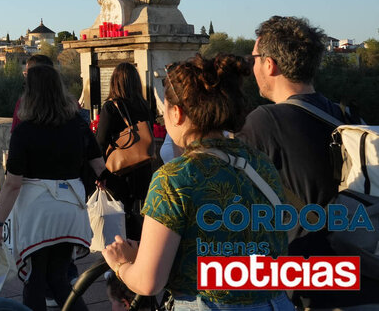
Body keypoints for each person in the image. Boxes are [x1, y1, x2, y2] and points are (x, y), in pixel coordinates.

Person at [102, 54, 290, 310]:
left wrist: (121, 264)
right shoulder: (260, 163)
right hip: (273, 303)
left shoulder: (175, 178)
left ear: (177, 113)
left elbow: (149, 283)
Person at [238, 16, 379, 309]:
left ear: (269, 64)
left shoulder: (264, 122)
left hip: (314, 289)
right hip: (366, 277)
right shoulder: (349, 117)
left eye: (253, 58)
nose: (251, 67)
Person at [0, 65, 105, 311]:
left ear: (30, 93)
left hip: (38, 211)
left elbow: (13, 183)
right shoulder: (78, 126)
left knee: (35, 279)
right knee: (59, 278)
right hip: (71, 207)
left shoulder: (25, 131)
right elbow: (99, 166)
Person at [94, 62, 152, 240]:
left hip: (119, 171)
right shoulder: (144, 105)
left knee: (121, 219)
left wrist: (99, 174)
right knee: (137, 213)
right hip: (143, 168)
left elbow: (101, 141)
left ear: (115, 82)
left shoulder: (111, 108)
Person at [10, 54, 53, 132]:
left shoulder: (23, 104)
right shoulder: (71, 105)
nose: (25, 79)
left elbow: (15, 134)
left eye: (27, 74)